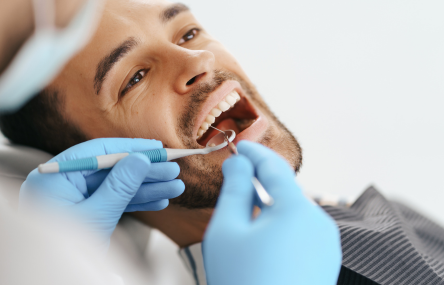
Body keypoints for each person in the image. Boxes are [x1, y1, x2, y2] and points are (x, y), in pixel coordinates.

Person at [3, 0, 444, 284]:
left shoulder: (393, 216)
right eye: (134, 78)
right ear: (99, 164)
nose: (196, 59)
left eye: (188, 33)